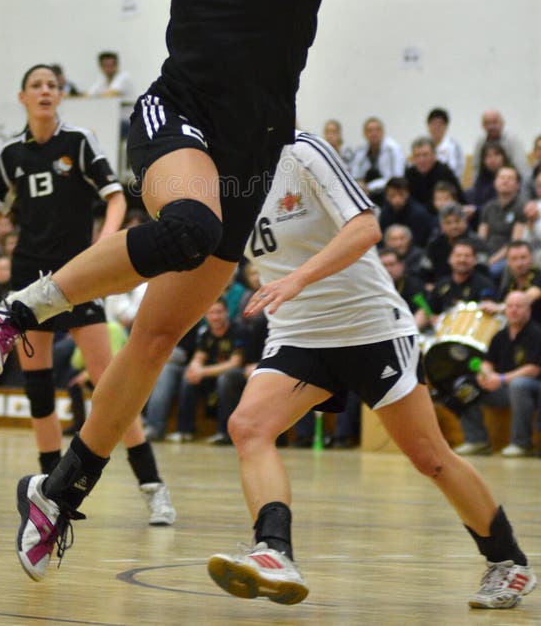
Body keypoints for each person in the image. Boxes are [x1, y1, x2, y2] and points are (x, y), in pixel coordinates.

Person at [0, 0, 444, 581]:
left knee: (153, 339)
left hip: (252, 151)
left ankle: (55, 494)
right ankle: (10, 313)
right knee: (185, 227)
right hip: (175, 113)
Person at [205, 132, 536, 610]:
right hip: (299, 333)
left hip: (369, 326)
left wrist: (296, 279)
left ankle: (509, 562)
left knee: (430, 458)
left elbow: (365, 229)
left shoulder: (301, 153)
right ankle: (274, 552)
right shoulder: (216, 182)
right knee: (247, 426)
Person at [0, 64, 175, 527]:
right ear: (22, 97)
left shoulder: (78, 142)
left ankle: (153, 487)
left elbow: (116, 195)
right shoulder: (11, 154)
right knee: (39, 390)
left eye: (52, 86)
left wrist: (107, 242)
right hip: (28, 276)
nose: (45, 91)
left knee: (111, 386)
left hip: (77, 277)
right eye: (36, 86)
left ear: (60, 96)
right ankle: (50, 496)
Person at [453, 292, 541, 458]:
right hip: (504, 389)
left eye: (519, 307)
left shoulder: (536, 334)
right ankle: (476, 440)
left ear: (528, 310)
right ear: (505, 310)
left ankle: (522, 444)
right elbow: (488, 362)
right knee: (465, 384)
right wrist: (486, 375)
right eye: (510, 306)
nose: (514, 310)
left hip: (532, 390)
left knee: (519, 384)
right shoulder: (500, 336)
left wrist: (500, 379)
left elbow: (534, 369)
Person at [166, 297, 247, 444]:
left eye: (219, 312)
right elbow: (198, 358)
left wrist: (201, 372)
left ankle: (224, 433)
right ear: (205, 315)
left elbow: (234, 363)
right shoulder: (205, 333)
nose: (215, 317)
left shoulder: (238, 330)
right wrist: (195, 369)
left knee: (226, 378)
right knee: (188, 377)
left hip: (237, 376)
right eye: (211, 313)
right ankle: (184, 431)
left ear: (227, 313)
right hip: (212, 374)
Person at [429, 240, 496, 324]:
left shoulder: (485, 285)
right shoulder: (441, 284)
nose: (462, 259)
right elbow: (430, 311)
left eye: (467, 256)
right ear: (450, 259)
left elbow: (489, 308)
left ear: (475, 260)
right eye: (458, 255)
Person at [477, 166, 526, 282]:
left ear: (518, 185)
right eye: (502, 177)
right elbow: (481, 238)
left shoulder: (521, 207)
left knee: (491, 271)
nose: (505, 181)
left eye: (510, 178)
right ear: (495, 182)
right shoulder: (488, 207)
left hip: (507, 256)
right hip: (487, 253)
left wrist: (492, 260)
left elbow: (514, 243)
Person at [481, 240, 541, 325]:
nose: (519, 263)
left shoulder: (538, 276)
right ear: (508, 262)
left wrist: (498, 307)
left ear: (531, 258)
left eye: (523, 257)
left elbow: (529, 297)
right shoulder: (510, 285)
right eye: (514, 259)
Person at [350, 116, 405, 206]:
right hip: (366, 192)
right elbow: (355, 174)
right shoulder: (361, 150)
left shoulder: (393, 149)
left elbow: (397, 178)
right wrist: (360, 184)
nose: (374, 133)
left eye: (377, 130)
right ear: (364, 134)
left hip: (390, 191)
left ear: (383, 132)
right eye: (370, 130)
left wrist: (369, 186)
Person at [405, 137, 466, 216]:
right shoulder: (409, 174)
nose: (421, 160)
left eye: (425, 155)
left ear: (434, 155)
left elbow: (459, 200)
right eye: (417, 156)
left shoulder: (445, 172)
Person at [379, 246, 431, 331]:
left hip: (410, 330)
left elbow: (424, 311)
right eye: (384, 265)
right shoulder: (374, 288)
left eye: (392, 264)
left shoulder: (414, 285)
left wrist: (410, 331)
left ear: (401, 265)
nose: (388, 270)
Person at [472, 111, 529, 185]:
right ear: (482, 126)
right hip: (486, 183)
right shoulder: (480, 142)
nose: (491, 126)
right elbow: (476, 168)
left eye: (495, 122)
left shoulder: (512, 140)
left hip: (511, 183)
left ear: (502, 123)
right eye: (487, 123)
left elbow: (521, 167)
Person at [378, 176, 436, 248]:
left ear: (407, 194)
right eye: (392, 195)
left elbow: (419, 243)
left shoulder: (419, 214)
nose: (397, 200)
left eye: (401, 194)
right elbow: (381, 239)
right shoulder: (385, 212)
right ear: (386, 196)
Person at [426, 107, 465, 181]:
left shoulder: (454, 146)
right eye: (433, 124)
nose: (436, 127)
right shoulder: (424, 146)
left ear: (446, 126)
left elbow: (459, 170)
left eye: (440, 124)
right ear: (428, 126)